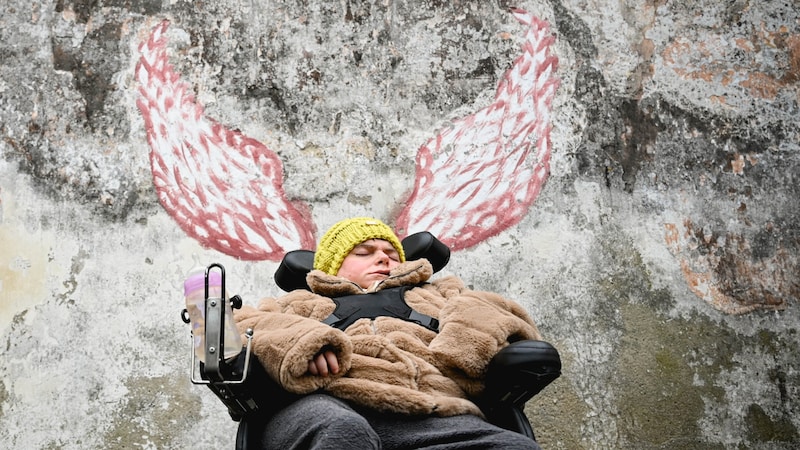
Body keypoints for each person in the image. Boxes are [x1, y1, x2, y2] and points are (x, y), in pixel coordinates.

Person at [234, 217, 543, 449]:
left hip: (435, 411)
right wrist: (304, 344)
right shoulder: (298, 304)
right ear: (333, 267)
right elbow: (239, 325)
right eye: (365, 252)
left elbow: (501, 315)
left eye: (391, 254)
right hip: (325, 407)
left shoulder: (441, 293)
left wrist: (461, 353)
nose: (382, 258)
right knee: (344, 430)